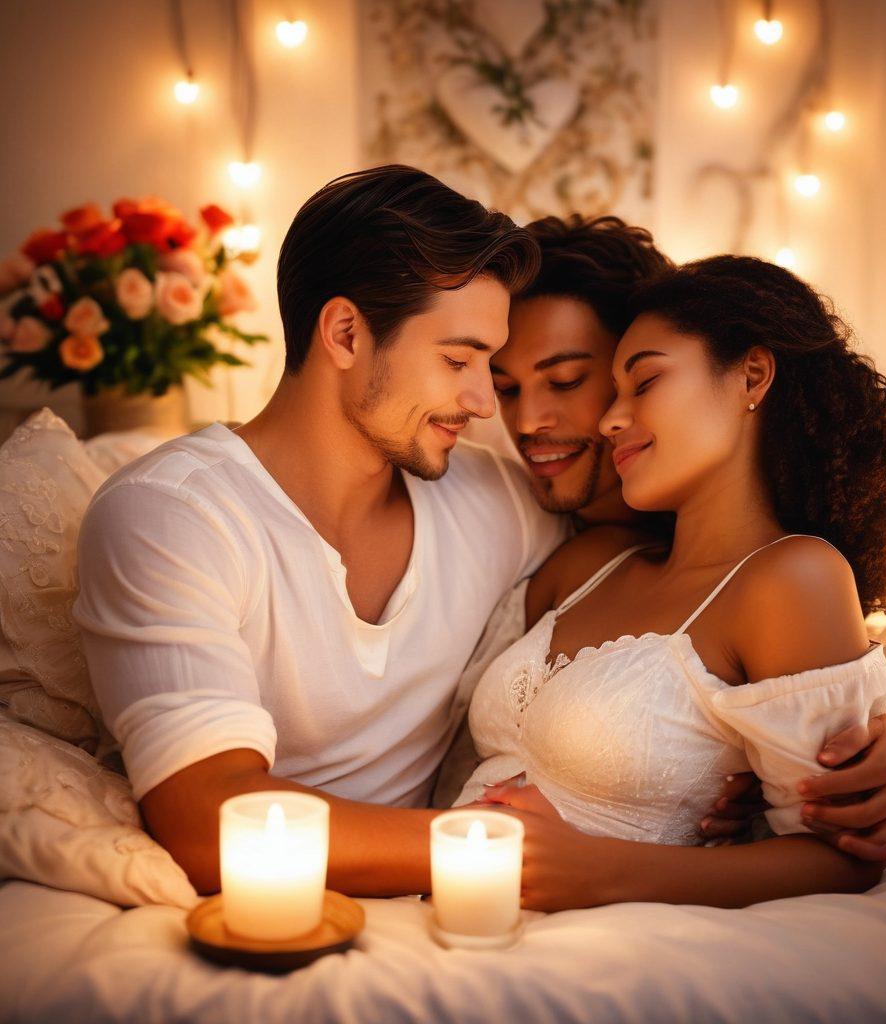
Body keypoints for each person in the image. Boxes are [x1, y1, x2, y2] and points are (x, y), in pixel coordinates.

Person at [73, 165, 568, 896]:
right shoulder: (172, 515)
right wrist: (500, 844)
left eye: (486, 364)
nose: (483, 403)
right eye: (458, 359)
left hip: (440, 909)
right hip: (274, 919)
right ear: (344, 333)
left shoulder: (492, 499)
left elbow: (644, 561)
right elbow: (208, 822)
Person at [455, 254, 886, 911]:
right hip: (446, 910)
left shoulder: (793, 579)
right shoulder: (590, 561)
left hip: (595, 942)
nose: (608, 419)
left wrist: (598, 872)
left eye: (642, 382)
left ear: (751, 376)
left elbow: (841, 860)